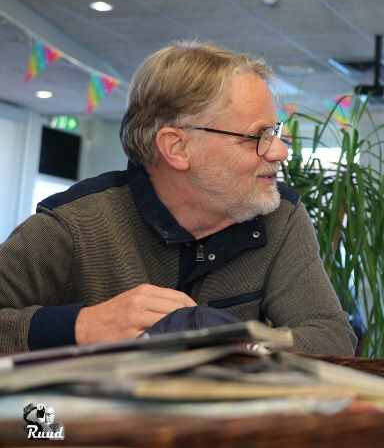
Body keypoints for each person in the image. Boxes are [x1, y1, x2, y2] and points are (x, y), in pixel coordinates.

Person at [0, 41, 356, 357]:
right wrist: (79, 326)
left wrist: (229, 345)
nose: (279, 151)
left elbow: (331, 337)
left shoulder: (281, 216)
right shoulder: (75, 225)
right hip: (83, 430)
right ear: (177, 147)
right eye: (257, 136)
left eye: (275, 132)